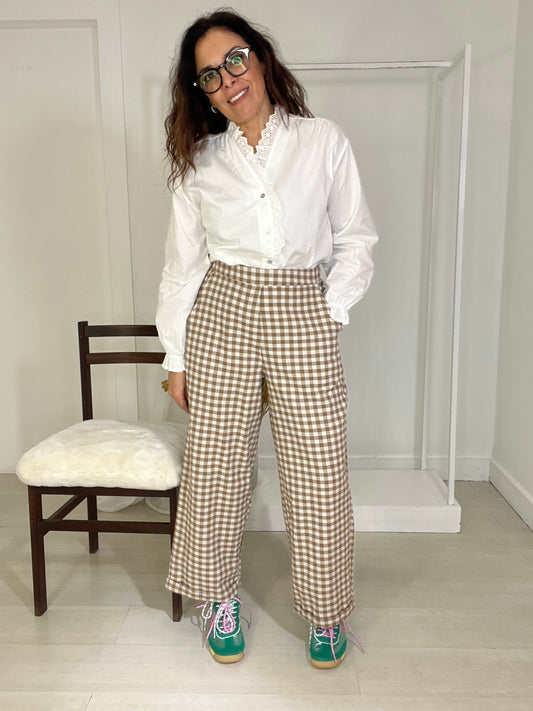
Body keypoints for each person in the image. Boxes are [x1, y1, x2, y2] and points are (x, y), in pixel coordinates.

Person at [156, 8, 378, 669]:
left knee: (317, 469)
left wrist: (329, 310)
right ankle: (218, 597)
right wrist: (176, 356)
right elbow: (182, 267)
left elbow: (356, 238)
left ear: (258, 58)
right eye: (209, 76)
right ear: (202, 93)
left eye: (235, 60)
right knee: (215, 467)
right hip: (223, 309)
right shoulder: (199, 161)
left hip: (301, 306)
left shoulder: (321, 140)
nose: (228, 80)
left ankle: (327, 611)